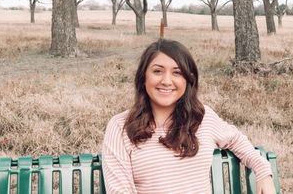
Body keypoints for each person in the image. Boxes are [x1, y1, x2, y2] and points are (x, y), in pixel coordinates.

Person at [102, 39, 276, 194]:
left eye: (177, 73)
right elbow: (119, 190)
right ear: (143, 77)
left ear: (187, 80)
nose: (167, 81)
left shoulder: (203, 118)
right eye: (157, 71)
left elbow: (236, 139)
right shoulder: (120, 126)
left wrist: (263, 172)